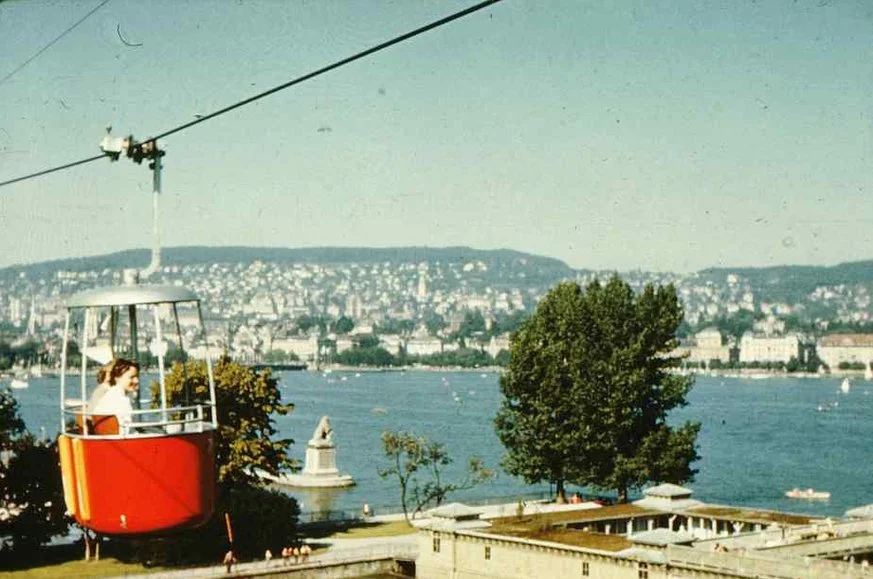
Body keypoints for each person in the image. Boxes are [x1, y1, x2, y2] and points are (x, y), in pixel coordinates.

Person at [89, 358, 140, 431]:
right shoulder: (121, 400)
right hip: (121, 440)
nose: (137, 381)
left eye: (137, 376)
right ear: (117, 378)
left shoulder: (112, 394)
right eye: (131, 377)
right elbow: (126, 431)